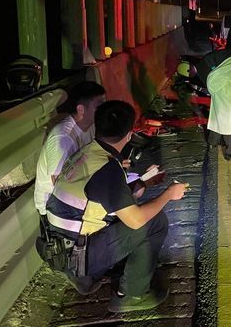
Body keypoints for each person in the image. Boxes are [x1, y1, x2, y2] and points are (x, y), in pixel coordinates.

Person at [45, 100, 188, 312]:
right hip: (79, 255)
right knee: (154, 221)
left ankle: (98, 272)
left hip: (60, 244)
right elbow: (136, 220)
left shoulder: (88, 153)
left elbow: (96, 195)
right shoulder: (107, 169)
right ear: (130, 134)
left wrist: (142, 184)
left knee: (134, 209)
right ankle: (130, 295)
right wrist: (168, 194)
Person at [34, 81, 106, 215]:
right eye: (99, 106)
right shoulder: (63, 138)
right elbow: (59, 185)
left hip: (75, 191)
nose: (105, 109)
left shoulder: (90, 126)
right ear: (81, 109)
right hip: (55, 206)